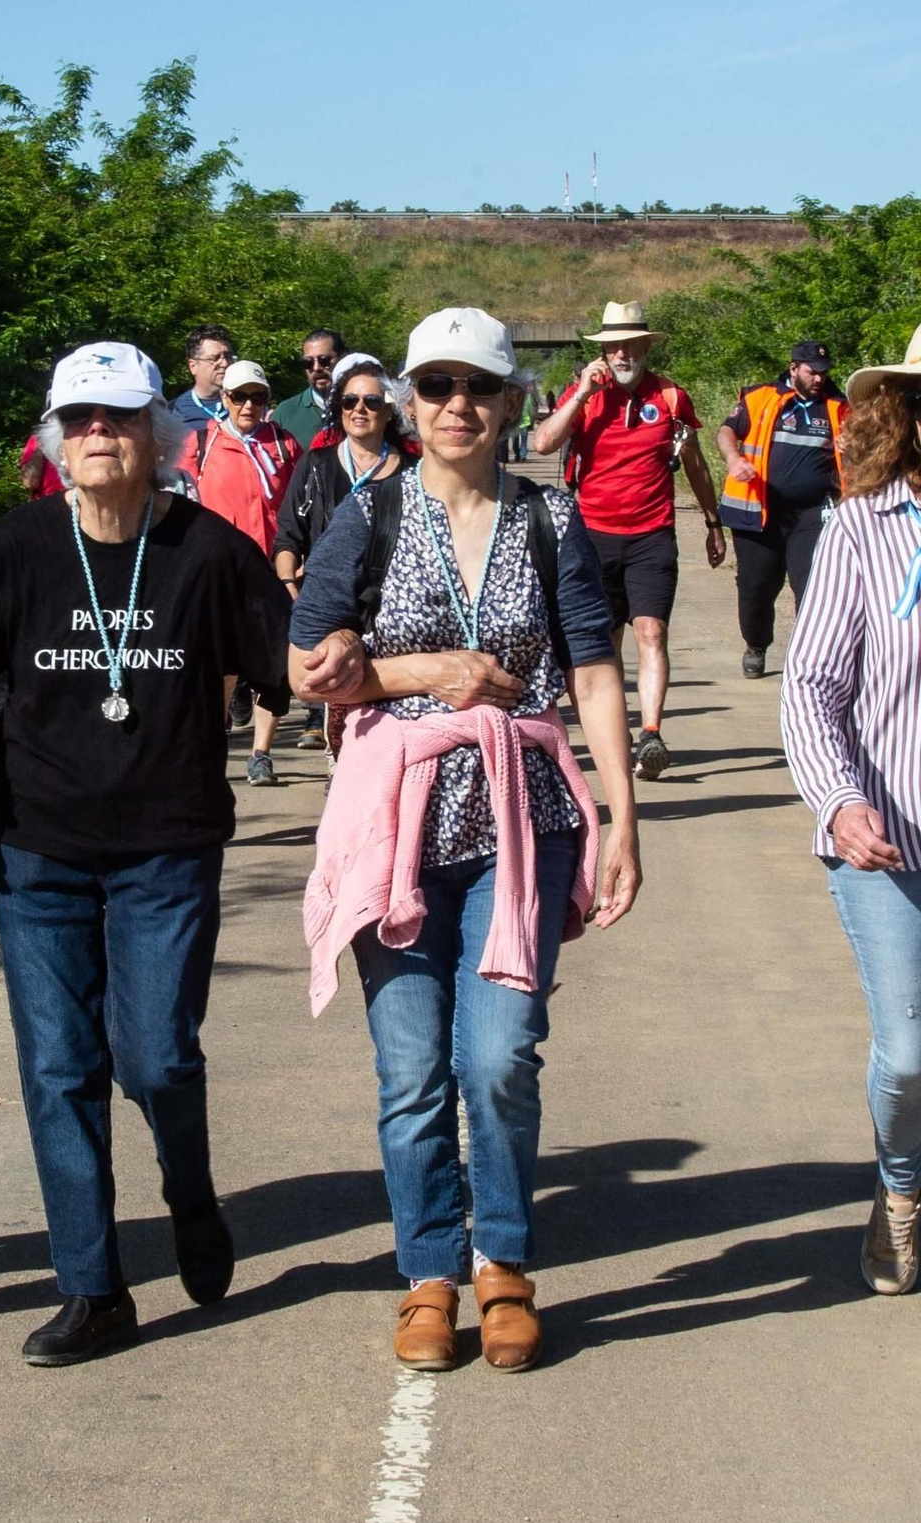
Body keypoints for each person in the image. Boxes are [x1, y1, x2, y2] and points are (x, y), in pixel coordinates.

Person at [0, 341, 293, 1366]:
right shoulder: (19, 544)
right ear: (54, 433)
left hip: (166, 846)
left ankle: (188, 1187)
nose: (97, 433)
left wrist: (392, 669)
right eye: (78, 417)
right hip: (35, 844)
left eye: (118, 417)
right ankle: (92, 1285)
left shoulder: (211, 554)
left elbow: (293, 663)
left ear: (158, 434)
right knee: (56, 1065)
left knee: (155, 1053)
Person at [291, 307, 640, 1374]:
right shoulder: (369, 512)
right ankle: (427, 1275)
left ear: (505, 404)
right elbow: (306, 658)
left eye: (475, 389)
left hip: (518, 820)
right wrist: (418, 670)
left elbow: (588, 668)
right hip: (391, 819)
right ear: (406, 400)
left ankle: (502, 1263)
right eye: (433, 387)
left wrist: (621, 816)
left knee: (493, 1056)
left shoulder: (550, 518)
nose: (454, 407)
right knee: (407, 1069)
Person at [780, 323, 921, 1297]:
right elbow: (810, 685)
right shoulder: (862, 529)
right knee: (910, 1053)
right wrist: (835, 801)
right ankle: (901, 1186)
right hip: (884, 835)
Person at [531, 301, 722, 780]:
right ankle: (615, 731)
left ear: (644, 348)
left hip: (652, 532)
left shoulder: (673, 398)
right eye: (613, 345)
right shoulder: (586, 395)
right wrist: (578, 397)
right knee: (606, 641)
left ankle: (652, 733)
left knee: (651, 631)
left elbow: (694, 463)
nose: (621, 353)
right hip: (593, 535)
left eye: (630, 345)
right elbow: (542, 443)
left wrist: (713, 520)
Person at [273, 354, 417, 752]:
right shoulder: (316, 465)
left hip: (391, 611)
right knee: (336, 697)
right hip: (327, 604)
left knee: (386, 711)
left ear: (389, 410)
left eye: (371, 402)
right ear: (337, 408)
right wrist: (291, 586)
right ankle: (343, 767)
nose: (359, 410)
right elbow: (288, 536)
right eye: (349, 401)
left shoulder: (414, 471)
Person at [177, 359, 303, 775]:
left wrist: (296, 564)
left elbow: (299, 508)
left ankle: (260, 754)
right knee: (221, 660)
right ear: (225, 399)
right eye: (239, 396)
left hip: (271, 567)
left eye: (258, 396)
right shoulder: (200, 443)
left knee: (275, 661)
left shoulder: (283, 445)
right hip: (219, 568)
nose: (248, 405)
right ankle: (213, 742)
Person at [720, 339, 851, 677]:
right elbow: (725, 432)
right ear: (794, 368)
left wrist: (855, 446)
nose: (819, 379)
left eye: (824, 372)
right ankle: (756, 644)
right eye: (812, 372)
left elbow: (861, 447)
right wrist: (734, 459)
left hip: (812, 514)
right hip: (758, 510)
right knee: (756, 587)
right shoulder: (761, 397)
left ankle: (805, 656)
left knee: (811, 586)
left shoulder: (839, 406)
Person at [273, 327, 348, 449]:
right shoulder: (285, 413)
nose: (316, 368)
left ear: (342, 358)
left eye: (324, 360)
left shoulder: (360, 407)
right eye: (308, 363)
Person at [171, 324, 236, 433]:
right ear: (193, 366)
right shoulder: (174, 412)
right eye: (214, 358)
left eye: (228, 357)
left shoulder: (247, 404)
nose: (224, 363)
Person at [20, 431, 64, 498]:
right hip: (45, 501)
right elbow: (29, 483)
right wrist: (40, 447)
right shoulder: (37, 439)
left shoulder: (76, 439)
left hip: (74, 501)